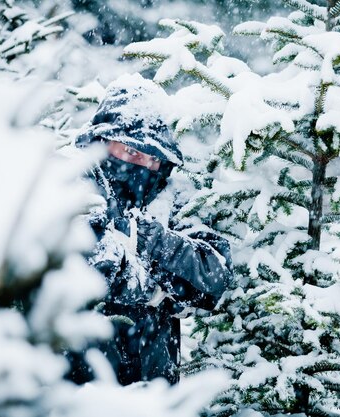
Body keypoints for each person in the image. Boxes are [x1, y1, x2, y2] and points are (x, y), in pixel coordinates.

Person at [73, 74, 232, 385]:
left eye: (152, 158)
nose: (142, 165)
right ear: (103, 142)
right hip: (81, 389)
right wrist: (157, 287)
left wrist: (155, 242)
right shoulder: (71, 185)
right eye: (131, 152)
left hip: (156, 391)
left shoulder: (169, 197)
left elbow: (214, 275)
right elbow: (92, 268)